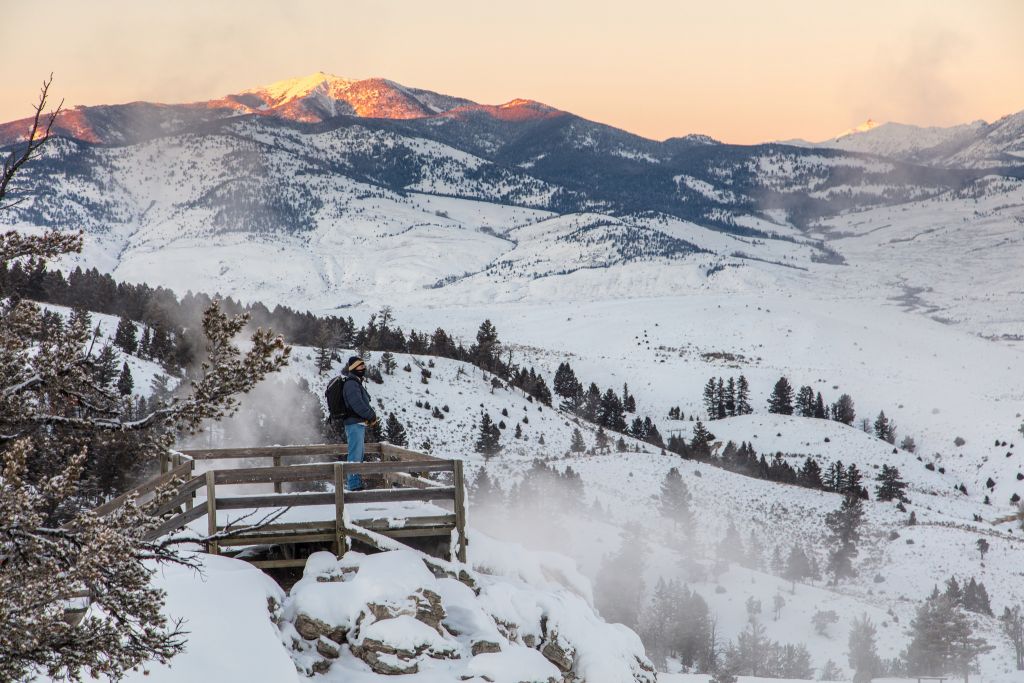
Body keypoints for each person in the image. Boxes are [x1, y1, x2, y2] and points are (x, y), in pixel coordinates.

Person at [338, 356, 377, 491]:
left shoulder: (355, 382)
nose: (363, 368)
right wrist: (371, 415)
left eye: (363, 366)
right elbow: (357, 404)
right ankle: (354, 485)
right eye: (360, 366)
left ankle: (356, 482)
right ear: (354, 368)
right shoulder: (351, 384)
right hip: (354, 423)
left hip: (358, 423)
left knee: (358, 454)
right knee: (355, 454)